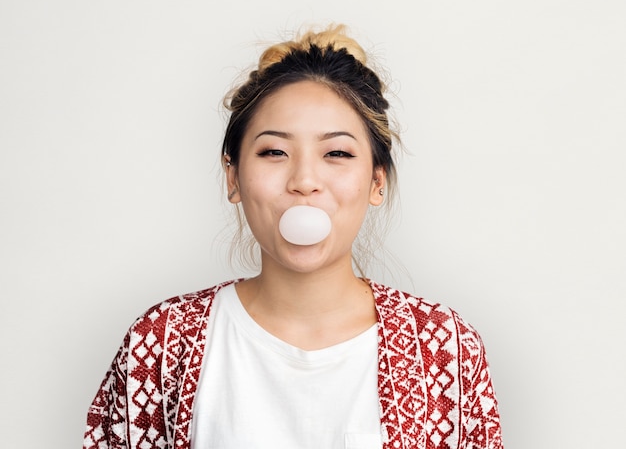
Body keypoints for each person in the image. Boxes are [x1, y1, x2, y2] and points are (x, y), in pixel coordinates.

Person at [83, 25, 503, 449]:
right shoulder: (162, 343)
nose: (304, 181)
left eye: (336, 153)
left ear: (377, 180)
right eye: (273, 152)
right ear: (234, 178)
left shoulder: (445, 349)